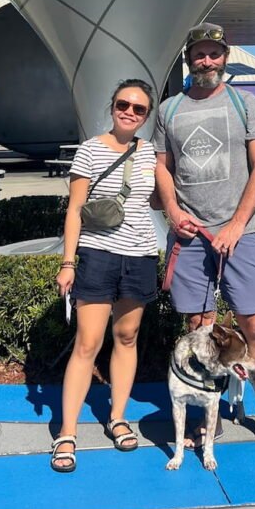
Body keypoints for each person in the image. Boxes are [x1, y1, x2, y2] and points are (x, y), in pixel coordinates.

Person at [153, 23, 255, 461]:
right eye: (200, 54)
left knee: (254, 325)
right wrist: (174, 212)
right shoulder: (169, 110)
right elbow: (163, 169)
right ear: (189, 58)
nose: (207, 61)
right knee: (200, 327)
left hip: (241, 235)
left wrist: (238, 223)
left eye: (214, 54)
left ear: (224, 56)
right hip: (191, 237)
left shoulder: (244, 104)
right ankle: (208, 416)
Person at [51, 79, 159, 473]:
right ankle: (67, 432)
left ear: (147, 116)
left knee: (126, 337)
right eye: (123, 104)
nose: (129, 112)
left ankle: (117, 417)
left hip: (141, 255)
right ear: (112, 106)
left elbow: (165, 198)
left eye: (139, 108)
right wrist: (67, 262)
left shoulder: (150, 154)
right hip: (98, 255)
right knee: (88, 343)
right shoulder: (90, 150)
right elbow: (75, 209)